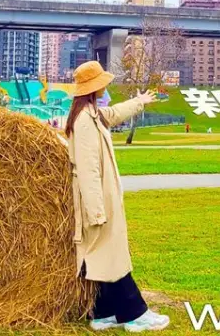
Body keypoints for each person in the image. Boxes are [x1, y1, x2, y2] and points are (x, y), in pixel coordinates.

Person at [66, 61, 170, 332]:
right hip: (97, 200)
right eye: (102, 82)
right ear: (93, 87)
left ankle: (103, 313)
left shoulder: (92, 113)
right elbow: (87, 169)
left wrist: (139, 101)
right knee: (113, 258)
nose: (106, 86)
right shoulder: (84, 120)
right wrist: (96, 210)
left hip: (102, 197)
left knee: (103, 257)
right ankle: (134, 313)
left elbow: (114, 112)